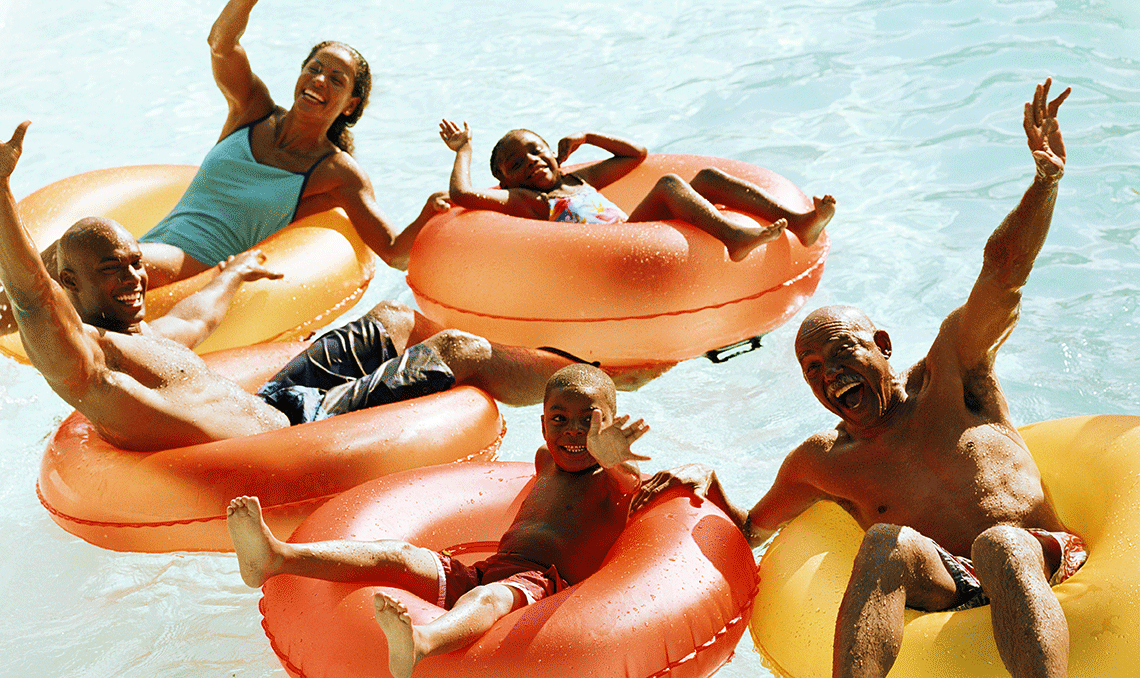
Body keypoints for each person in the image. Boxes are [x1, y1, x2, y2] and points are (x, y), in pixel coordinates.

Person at [633, 79, 1082, 678]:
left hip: (1043, 556)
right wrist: (704, 481)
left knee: (1000, 544)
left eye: (842, 353)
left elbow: (1003, 273)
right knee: (882, 543)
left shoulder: (955, 377)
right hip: (951, 579)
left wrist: (1045, 180)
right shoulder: (823, 462)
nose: (829, 374)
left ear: (884, 347)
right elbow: (749, 531)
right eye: (812, 369)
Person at [0, 121, 590, 453]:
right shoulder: (92, 362)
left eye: (134, 262)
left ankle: (557, 363)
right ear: (70, 282)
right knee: (459, 349)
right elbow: (31, 295)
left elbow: (197, 320)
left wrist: (233, 272)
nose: (133, 277)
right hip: (295, 439)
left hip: (276, 407)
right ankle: (596, 386)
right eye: (112, 269)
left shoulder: (145, 336)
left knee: (391, 318)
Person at [0, 0, 445, 334]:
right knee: (76, 248)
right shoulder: (252, 109)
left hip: (194, 264)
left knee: (78, 250)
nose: (319, 81)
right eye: (315, 68)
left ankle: (5, 316)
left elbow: (392, 251)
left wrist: (429, 210)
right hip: (154, 241)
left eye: (336, 79)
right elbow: (221, 43)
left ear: (351, 104)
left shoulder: (336, 172)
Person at [227, 363, 649, 678]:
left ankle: (424, 640)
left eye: (590, 421)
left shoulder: (611, 480)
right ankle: (278, 557)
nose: (574, 432)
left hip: (540, 583)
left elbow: (638, 484)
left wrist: (614, 457)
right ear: (541, 424)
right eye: (560, 419)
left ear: (610, 425)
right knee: (398, 554)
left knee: (489, 600)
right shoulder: (544, 462)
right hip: (487, 569)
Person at [438, 118, 836, 262]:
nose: (531, 162)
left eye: (536, 150)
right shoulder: (530, 201)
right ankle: (732, 238)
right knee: (669, 185)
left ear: (554, 154)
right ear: (507, 181)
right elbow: (462, 195)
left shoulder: (579, 179)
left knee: (708, 177)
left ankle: (801, 223)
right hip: (612, 248)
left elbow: (636, 155)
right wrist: (464, 149)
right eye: (517, 164)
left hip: (633, 231)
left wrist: (588, 135)